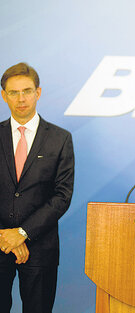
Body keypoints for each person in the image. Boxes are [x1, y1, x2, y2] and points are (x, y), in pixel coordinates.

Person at [0, 62, 74, 312]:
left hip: (40, 247)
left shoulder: (60, 138)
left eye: (27, 91)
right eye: (13, 92)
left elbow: (62, 196)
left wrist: (22, 232)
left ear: (38, 93)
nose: (21, 98)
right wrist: (5, 235)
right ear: (4, 96)